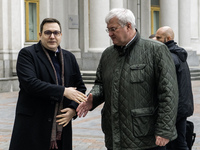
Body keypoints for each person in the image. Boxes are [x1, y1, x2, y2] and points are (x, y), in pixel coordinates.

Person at [72, 8, 178, 150]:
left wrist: (164, 130)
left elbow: (169, 93)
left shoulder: (156, 50)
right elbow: (100, 83)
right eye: (108, 30)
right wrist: (94, 97)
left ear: (128, 26)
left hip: (146, 137)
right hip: (114, 136)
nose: (110, 34)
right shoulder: (108, 54)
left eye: (113, 29)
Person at [9, 18, 87, 150]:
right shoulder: (27, 54)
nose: (52, 36)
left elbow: (80, 88)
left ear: (61, 35)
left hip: (61, 127)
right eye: (48, 33)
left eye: (56, 33)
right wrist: (63, 91)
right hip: (33, 125)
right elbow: (30, 84)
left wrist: (73, 110)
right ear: (40, 35)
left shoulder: (69, 57)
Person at [156, 26, 194, 150]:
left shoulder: (169, 57)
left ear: (168, 38)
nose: (156, 40)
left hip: (175, 108)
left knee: (170, 142)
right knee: (180, 141)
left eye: (158, 37)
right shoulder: (178, 54)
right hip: (182, 106)